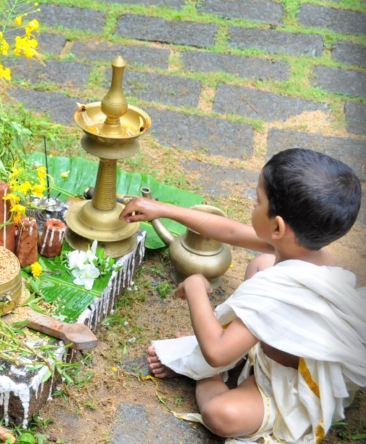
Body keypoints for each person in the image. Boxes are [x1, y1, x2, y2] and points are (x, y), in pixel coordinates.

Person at [118, 148, 366, 444]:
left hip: (287, 383)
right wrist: (163, 209)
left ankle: (207, 376)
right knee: (260, 264)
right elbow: (233, 232)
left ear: (278, 227)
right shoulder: (309, 252)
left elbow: (217, 353)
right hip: (279, 343)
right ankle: (235, 347)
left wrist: (195, 286)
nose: (252, 203)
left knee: (221, 415)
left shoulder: (277, 293)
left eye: (258, 200)